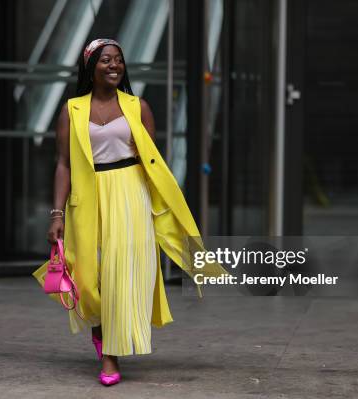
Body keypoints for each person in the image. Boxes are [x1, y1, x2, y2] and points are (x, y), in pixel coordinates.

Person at [33, 38, 227, 386]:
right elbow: (63, 163)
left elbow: (152, 163)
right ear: (91, 68)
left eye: (119, 61)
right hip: (88, 198)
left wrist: (160, 210)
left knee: (121, 274)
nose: (114, 66)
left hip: (129, 194)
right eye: (106, 60)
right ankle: (100, 327)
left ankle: (110, 354)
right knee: (88, 280)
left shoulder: (138, 107)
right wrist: (56, 213)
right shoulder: (72, 109)